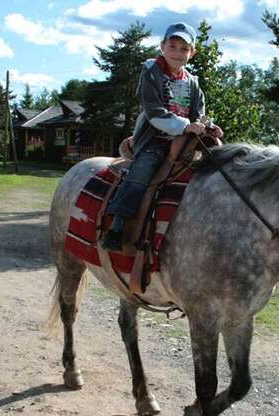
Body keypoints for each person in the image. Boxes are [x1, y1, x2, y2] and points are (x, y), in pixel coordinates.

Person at [101, 22, 222, 251]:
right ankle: (117, 226)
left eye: (183, 48)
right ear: (162, 47)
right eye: (173, 46)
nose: (177, 53)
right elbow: (154, 112)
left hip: (185, 140)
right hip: (155, 138)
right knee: (142, 171)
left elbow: (200, 114)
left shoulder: (192, 82)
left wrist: (209, 126)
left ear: (192, 52)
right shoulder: (151, 72)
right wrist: (186, 126)